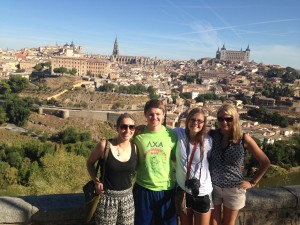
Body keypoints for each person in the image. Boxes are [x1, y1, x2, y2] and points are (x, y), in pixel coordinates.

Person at [209, 104, 270, 225]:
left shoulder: (243, 139)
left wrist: (252, 182)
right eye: (221, 119)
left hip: (234, 189)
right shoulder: (212, 135)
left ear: (235, 119)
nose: (224, 122)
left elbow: (265, 162)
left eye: (228, 119)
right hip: (213, 187)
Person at [86, 113, 137, 225]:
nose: (127, 130)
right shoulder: (105, 146)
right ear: (117, 128)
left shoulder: (135, 148)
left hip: (127, 200)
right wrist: (96, 182)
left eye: (131, 127)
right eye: (123, 126)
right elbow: (89, 163)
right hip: (106, 199)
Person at [133, 99, 178, 225]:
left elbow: (177, 159)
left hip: (166, 190)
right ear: (145, 115)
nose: (154, 117)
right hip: (143, 189)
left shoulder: (171, 135)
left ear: (163, 115)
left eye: (158, 114)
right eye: (151, 114)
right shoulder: (137, 134)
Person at [174, 107, 213, 225]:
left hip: (202, 192)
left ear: (204, 123)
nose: (196, 123)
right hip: (184, 191)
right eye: (193, 119)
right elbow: (160, 131)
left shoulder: (208, 141)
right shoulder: (178, 133)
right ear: (187, 120)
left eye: (200, 121)